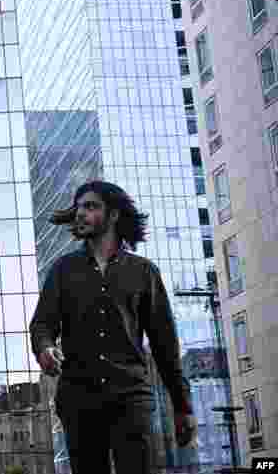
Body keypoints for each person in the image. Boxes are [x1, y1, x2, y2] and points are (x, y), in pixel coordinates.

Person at [29, 180, 197, 474]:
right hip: (79, 399)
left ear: (114, 215)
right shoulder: (63, 270)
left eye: (91, 206)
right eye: (78, 207)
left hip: (131, 399)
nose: (80, 213)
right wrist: (45, 348)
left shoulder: (144, 272)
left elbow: (165, 346)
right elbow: (42, 323)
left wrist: (183, 407)